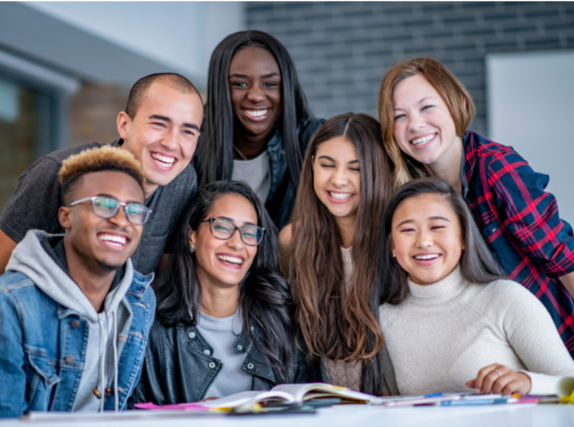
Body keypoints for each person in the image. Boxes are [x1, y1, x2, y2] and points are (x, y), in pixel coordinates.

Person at [378, 57, 574, 369]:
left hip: (545, 339)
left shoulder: (495, 168)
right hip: (484, 349)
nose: (415, 124)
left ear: (455, 103)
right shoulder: (415, 192)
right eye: (400, 116)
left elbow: (565, 262)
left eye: (427, 107)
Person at [378, 177, 574, 396]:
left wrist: (528, 383)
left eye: (437, 226)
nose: (424, 241)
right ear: (392, 245)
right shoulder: (384, 319)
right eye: (408, 230)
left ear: (463, 236)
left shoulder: (505, 298)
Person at [0, 146, 156, 417]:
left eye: (134, 210)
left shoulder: (140, 300)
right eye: (104, 205)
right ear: (66, 216)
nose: (121, 220)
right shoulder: (10, 305)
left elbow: (129, 408)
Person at [0, 73, 204, 276]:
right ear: (124, 125)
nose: (171, 143)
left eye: (187, 132)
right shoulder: (58, 173)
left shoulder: (183, 182)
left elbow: (161, 281)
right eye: (159, 124)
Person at [130, 180, 310, 405]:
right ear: (191, 236)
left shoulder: (282, 323)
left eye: (249, 232)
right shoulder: (152, 333)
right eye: (223, 226)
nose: (237, 244)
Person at [279, 113, 393, 395]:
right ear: (312, 166)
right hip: (327, 409)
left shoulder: (397, 240)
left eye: (355, 169)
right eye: (327, 165)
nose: (338, 180)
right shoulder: (293, 239)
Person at [194, 30, 325, 229]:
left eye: (270, 84)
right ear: (220, 89)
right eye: (240, 84)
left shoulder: (314, 140)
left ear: (286, 89)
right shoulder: (190, 146)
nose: (256, 95)